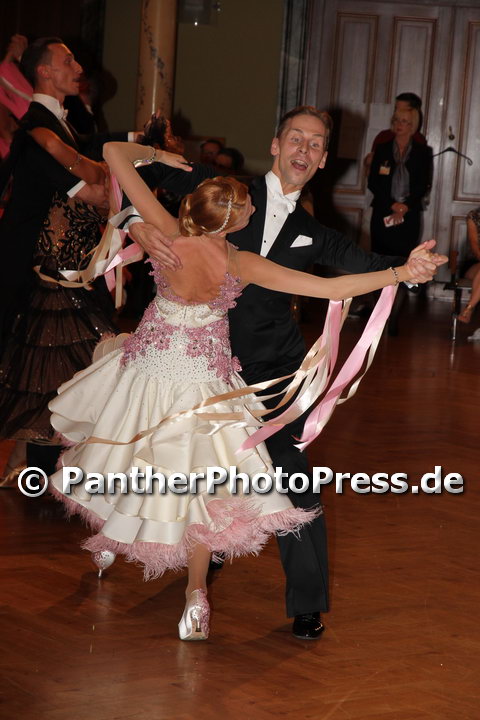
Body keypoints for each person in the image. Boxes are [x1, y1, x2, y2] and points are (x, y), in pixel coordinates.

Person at [48, 140, 443, 642]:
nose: (254, 208)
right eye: (246, 207)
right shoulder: (239, 262)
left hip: (146, 373)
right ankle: (195, 596)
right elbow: (331, 289)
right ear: (230, 221)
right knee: (203, 490)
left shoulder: (169, 232)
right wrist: (400, 273)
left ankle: (113, 537)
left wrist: (158, 157)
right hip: (203, 388)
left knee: (123, 452)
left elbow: (112, 153)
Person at [0, 35, 135, 476]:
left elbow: (91, 155)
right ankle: (41, 467)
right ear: (44, 71)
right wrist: (100, 180)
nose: (78, 67)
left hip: (67, 269)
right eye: (68, 60)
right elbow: (91, 191)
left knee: (55, 368)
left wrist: (133, 143)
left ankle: (34, 461)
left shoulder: (57, 124)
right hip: (39, 271)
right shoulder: (35, 130)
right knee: (50, 367)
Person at [368, 107, 433, 335]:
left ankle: (393, 318)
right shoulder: (383, 148)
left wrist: (405, 206)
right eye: (396, 120)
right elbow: (373, 182)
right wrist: (392, 204)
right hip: (383, 214)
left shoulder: (423, 152)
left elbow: (423, 185)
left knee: (404, 265)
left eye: (404, 121)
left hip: (408, 217)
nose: (399, 125)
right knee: (379, 265)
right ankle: (377, 317)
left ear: (412, 125)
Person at [364, 93, 426, 174]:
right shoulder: (383, 136)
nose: (397, 113)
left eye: (402, 110)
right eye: (396, 108)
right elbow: (373, 170)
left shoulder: (418, 140)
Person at [458, 207, 480, 323]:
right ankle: (469, 309)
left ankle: (469, 308)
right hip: (475, 263)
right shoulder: (475, 216)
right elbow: (474, 245)